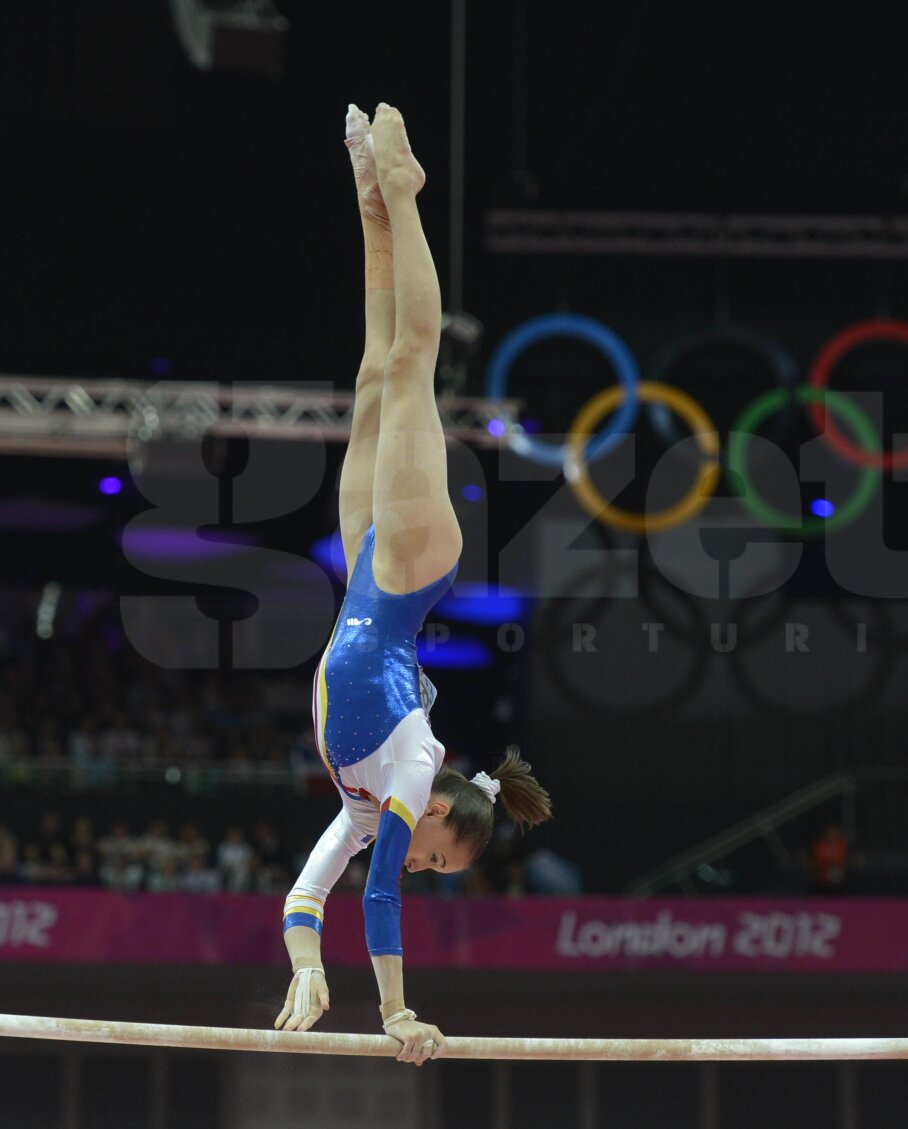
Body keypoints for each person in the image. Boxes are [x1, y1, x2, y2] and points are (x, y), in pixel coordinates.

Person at [273, 104, 552, 1065]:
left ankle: (371, 203)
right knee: (409, 363)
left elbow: (309, 891)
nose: (421, 866)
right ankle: (405, 191)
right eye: (438, 855)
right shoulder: (411, 771)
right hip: (409, 571)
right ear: (434, 812)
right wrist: (395, 1012)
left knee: (370, 376)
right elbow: (382, 891)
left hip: (368, 572)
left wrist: (306, 964)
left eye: (431, 866)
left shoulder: (360, 810)